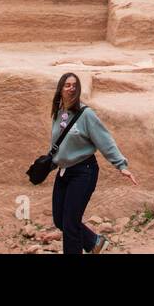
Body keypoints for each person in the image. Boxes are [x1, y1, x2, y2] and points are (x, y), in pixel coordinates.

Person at [49, 72, 137, 254]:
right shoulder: (59, 114)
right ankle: (94, 242)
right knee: (60, 220)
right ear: (60, 89)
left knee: (71, 223)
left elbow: (104, 140)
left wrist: (121, 165)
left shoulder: (86, 114)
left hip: (84, 171)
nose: (71, 88)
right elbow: (60, 143)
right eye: (67, 85)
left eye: (75, 85)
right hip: (64, 172)